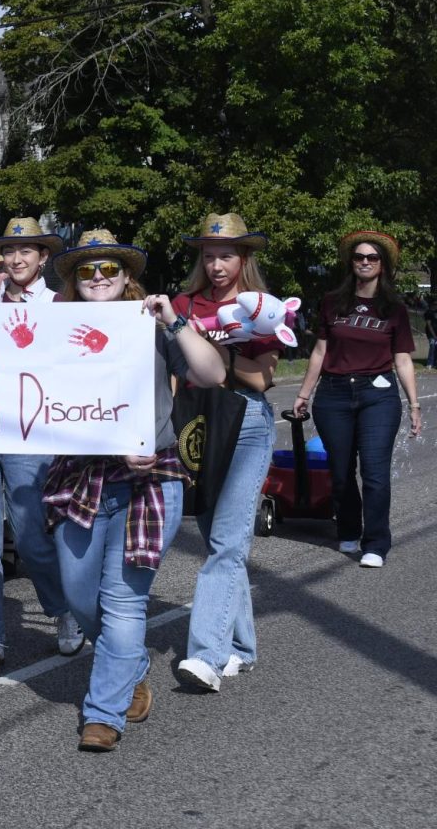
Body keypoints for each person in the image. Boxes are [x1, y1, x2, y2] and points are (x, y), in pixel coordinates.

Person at [43, 230, 226, 752]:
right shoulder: (54, 331)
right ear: (75, 282)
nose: (98, 277)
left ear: (126, 277)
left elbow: (212, 373)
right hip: (80, 478)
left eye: (109, 269)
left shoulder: (153, 325)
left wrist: (174, 319)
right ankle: (131, 665)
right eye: (87, 270)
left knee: (124, 603)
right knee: (79, 596)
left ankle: (103, 714)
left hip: (150, 481)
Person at [0, 217, 82, 672]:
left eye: (26, 251)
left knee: (32, 537)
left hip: (29, 431)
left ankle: (62, 612)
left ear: (43, 257)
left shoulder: (58, 305)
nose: (15, 259)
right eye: (10, 251)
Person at [170, 212, 281, 692]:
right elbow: (175, 371)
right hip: (197, 420)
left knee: (227, 543)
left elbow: (263, 378)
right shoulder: (183, 303)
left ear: (243, 258)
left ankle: (208, 655)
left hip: (247, 420)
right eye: (210, 255)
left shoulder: (261, 308)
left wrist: (219, 358)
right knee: (219, 537)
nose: (217, 265)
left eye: (227, 255)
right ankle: (243, 648)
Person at [292, 230, 421, 569]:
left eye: (372, 258)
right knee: (341, 472)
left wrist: (415, 404)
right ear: (351, 262)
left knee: (375, 473)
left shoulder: (394, 309)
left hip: (377, 394)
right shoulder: (333, 302)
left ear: (383, 265)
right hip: (333, 395)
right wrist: (304, 393)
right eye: (359, 257)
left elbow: (403, 359)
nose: (365, 262)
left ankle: (376, 542)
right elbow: (320, 351)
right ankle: (348, 529)